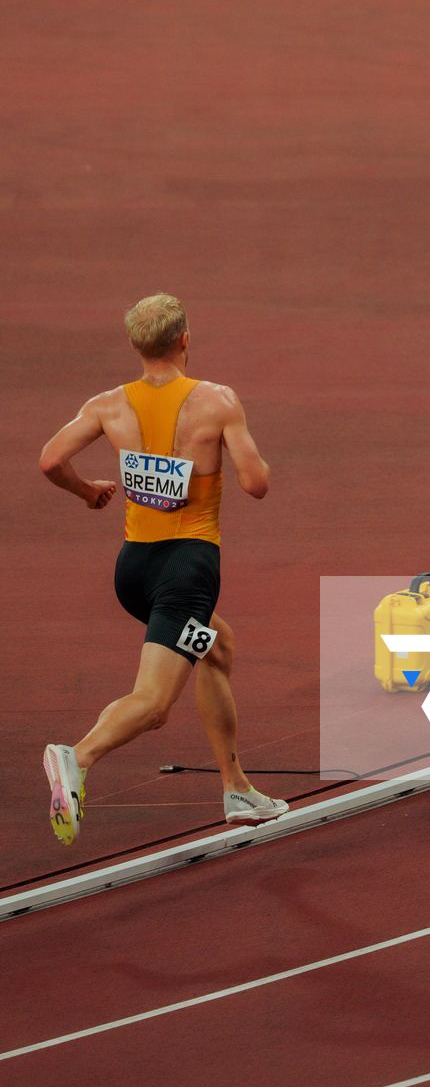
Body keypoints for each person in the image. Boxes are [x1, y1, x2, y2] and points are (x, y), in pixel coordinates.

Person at [37, 294, 288, 844]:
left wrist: (86, 493)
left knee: (217, 648)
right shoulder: (217, 401)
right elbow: (256, 484)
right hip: (187, 570)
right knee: (153, 706)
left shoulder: (107, 405)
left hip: (134, 570)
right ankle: (77, 758)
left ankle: (236, 787)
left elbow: (51, 460)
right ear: (184, 340)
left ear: (136, 345)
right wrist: (254, 459)